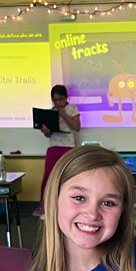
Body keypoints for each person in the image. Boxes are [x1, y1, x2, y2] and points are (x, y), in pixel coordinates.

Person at [34, 84, 81, 217]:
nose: (57, 102)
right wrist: (46, 131)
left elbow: (77, 127)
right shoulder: (51, 111)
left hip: (68, 147)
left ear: (66, 98)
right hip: (53, 147)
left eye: (60, 99)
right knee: (48, 177)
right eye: (55, 100)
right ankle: (44, 205)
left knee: (68, 177)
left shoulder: (72, 109)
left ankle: (69, 206)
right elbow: (48, 135)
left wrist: (64, 114)